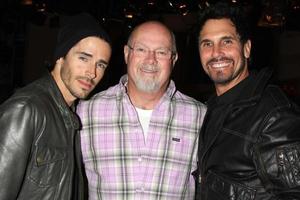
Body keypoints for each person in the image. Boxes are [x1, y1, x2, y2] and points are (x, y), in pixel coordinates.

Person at [77, 21, 207, 199]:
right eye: (141, 49)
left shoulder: (201, 117)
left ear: (173, 60)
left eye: (161, 52)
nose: (151, 60)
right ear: (126, 53)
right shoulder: (84, 113)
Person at [0, 13, 112, 200]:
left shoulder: (71, 115)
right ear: (61, 57)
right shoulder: (25, 109)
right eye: (84, 58)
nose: (91, 73)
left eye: (100, 65)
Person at [196, 1, 300, 200]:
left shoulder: (274, 115)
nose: (216, 53)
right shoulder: (210, 108)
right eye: (207, 43)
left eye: (226, 41)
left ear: (246, 48)